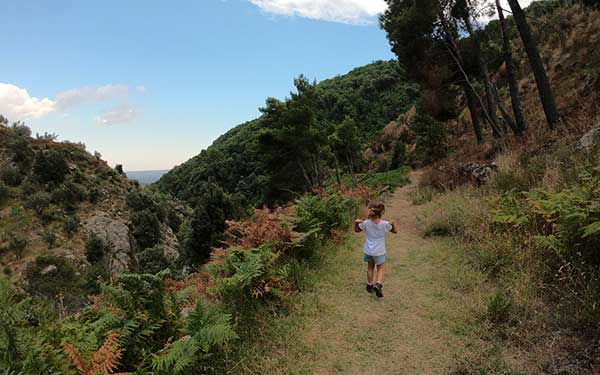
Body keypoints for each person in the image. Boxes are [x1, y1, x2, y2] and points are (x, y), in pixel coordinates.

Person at [354, 200, 397, 298]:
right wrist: (393, 224)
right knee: (381, 268)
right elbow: (395, 231)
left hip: (368, 251)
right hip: (380, 251)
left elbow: (356, 230)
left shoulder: (366, 223)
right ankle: (378, 284)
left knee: (370, 267)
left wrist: (356, 223)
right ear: (382, 212)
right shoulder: (385, 224)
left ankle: (369, 285)